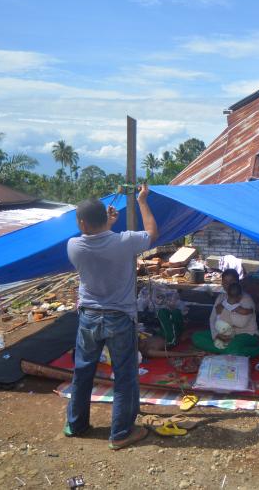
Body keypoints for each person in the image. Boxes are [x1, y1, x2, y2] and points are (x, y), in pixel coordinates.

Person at [65, 184, 158, 450]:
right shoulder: (124, 241)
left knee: (82, 372)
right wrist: (141, 201)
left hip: (89, 318)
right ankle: (120, 434)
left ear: (82, 222)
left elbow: (96, 240)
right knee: (124, 376)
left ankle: (76, 424)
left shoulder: (73, 246)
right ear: (104, 219)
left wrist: (105, 225)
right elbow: (152, 232)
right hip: (119, 317)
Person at [192, 278, 259, 357]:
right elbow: (212, 319)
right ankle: (228, 350)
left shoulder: (246, 299)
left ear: (238, 282)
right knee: (196, 337)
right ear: (222, 284)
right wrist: (216, 335)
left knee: (233, 348)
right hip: (224, 333)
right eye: (225, 282)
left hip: (246, 334)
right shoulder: (221, 298)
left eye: (231, 282)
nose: (228, 285)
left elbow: (241, 324)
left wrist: (225, 312)